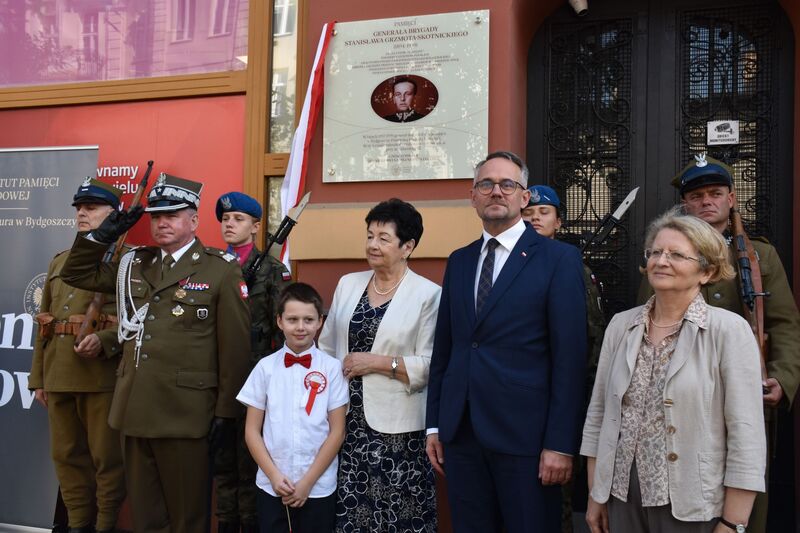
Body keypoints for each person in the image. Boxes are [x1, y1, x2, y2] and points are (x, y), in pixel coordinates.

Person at [59, 173, 251, 532]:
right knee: (147, 519)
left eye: (172, 215)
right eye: (156, 215)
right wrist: (102, 236)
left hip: (186, 415)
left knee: (186, 519)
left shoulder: (219, 270)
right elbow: (77, 273)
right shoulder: (135, 263)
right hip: (134, 409)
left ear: (193, 220)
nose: (161, 223)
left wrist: (227, 415)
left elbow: (235, 351)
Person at [425, 151, 588, 532]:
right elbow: (445, 350)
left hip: (527, 439)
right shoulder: (460, 260)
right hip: (462, 435)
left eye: (507, 184)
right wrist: (435, 425)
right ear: (473, 196)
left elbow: (570, 358)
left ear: (524, 197)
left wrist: (560, 443)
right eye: (486, 184)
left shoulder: (559, 259)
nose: (496, 191)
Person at [637, 154, 800, 533]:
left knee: (745, 488)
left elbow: (784, 324)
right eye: (696, 196)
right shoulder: (664, 256)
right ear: (685, 205)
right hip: (678, 397)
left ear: (731, 199)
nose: (706, 201)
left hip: (744, 393)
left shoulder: (759, 256)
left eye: (715, 193)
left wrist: (783, 378)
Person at [584, 208, 766, 533]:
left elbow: (746, 433)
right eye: (656, 252)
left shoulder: (728, 330)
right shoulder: (621, 325)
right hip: (622, 497)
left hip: (692, 504)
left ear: (706, 272)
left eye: (676, 255)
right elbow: (599, 416)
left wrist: (733, 522)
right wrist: (597, 496)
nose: (661, 261)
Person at [318, 198, 441, 533]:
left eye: (384, 238)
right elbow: (327, 347)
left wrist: (377, 363)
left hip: (399, 432)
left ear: (408, 246)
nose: (373, 244)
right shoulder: (348, 283)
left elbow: (432, 364)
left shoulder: (428, 295)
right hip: (347, 422)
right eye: (370, 235)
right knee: (351, 514)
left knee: (399, 516)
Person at [30, 178, 126, 533]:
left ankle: (104, 526)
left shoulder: (129, 259)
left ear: (114, 215)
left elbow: (141, 318)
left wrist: (105, 339)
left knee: (107, 461)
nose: (82, 214)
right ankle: (78, 524)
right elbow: (45, 323)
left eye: (92, 208)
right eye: (79, 209)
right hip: (59, 374)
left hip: (101, 376)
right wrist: (39, 378)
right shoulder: (61, 261)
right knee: (67, 458)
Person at [521, 184, 606, 533]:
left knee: (556, 497)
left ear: (559, 221)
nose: (535, 219)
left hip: (563, 397)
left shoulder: (572, 267)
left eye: (543, 213)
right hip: (522, 400)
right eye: (528, 214)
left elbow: (589, 335)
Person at [238, 282, 349, 533]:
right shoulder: (265, 368)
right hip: (272, 484)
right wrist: (275, 477)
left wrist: (308, 483)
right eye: (293, 319)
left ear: (320, 321)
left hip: (318, 486)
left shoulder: (332, 369)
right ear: (279, 321)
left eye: (308, 319)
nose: (301, 327)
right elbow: (252, 431)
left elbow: (337, 431)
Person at [214, 191, 291, 533]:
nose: (230, 224)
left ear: (256, 226)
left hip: (255, 377)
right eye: (226, 219)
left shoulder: (273, 271)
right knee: (221, 464)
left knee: (251, 463)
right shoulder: (210, 266)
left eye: (239, 219)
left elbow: (285, 327)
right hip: (215, 377)